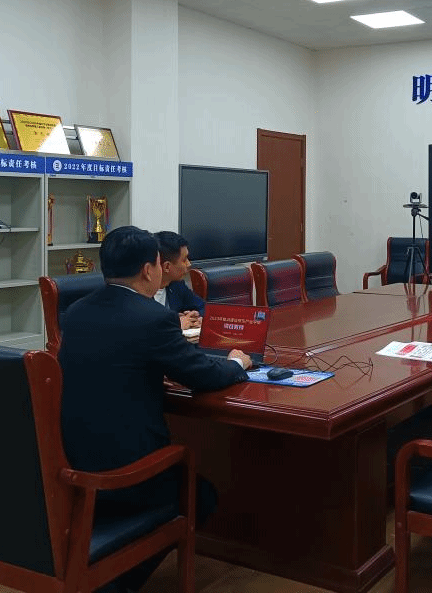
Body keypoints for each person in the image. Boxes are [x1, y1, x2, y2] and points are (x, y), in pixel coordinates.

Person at [58, 225, 251, 593]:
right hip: (128, 472)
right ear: (149, 270)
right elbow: (203, 376)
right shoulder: (153, 318)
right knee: (201, 495)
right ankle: (112, 583)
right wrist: (236, 364)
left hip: (73, 460)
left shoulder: (76, 312)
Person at [152, 230, 205, 330]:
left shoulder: (176, 284)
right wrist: (175, 323)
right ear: (167, 267)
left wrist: (197, 316)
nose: (189, 264)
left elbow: (202, 306)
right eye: (184, 260)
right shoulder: (141, 292)